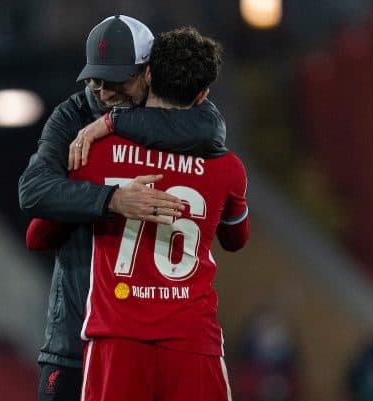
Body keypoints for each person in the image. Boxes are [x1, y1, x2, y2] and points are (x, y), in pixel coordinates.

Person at [18, 15, 229, 401]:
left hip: (147, 338)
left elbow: (213, 129)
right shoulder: (72, 117)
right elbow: (33, 191)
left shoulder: (184, 120)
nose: (102, 92)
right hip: (74, 336)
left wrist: (113, 124)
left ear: (148, 73)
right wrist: (113, 200)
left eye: (116, 81)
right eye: (95, 80)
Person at [66, 26, 249, 401]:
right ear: (203, 94)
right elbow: (236, 240)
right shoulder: (228, 168)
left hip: (116, 338)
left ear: (148, 75)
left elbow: (40, 232)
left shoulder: (95, 150)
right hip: (192, 341)